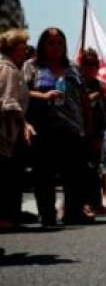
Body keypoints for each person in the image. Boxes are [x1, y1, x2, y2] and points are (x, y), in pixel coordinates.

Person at [24, 27, 93, 226]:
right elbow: (23, 92)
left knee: (73, 173)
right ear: (43, 45)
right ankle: (47, 214)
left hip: (71, 128)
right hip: (42, 128)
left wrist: (87, 125)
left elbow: (83, 98)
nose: (56, 48)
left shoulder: (73, 68)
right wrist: (44, 96)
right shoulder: (32, 66)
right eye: (51, 43)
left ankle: (72, 211)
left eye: (60, 43)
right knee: (43, 174)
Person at [0, 29, 33, 232]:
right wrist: (25, 124)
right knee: (4, 179)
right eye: (24, 47)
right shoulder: (8, 69)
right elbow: (8, 102)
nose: (26, 51)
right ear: (15, 48)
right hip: (3, 134)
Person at [79, 48, 106, 215]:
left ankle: (96, 201)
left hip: (97, 129)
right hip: (82, 130)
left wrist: (105, 97)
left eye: (94, 64)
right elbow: (78, 103)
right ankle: (83, 203)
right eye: (87, 64)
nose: (91, 68)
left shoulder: (99, 84)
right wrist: (95, 96)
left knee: (96, 167)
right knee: (83, 167)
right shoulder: (77, 82)